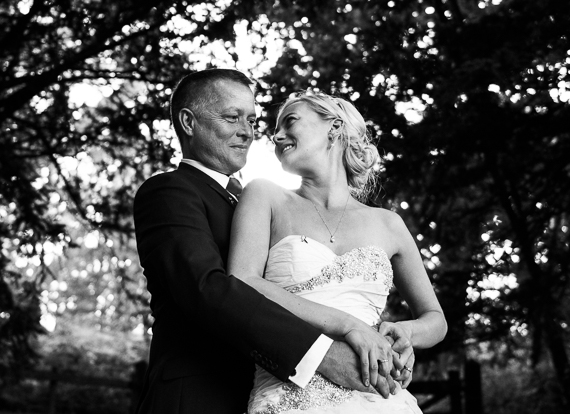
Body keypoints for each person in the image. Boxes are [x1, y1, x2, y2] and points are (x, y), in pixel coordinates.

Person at [132, 70, 409, 414]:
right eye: (232, 117)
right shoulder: (169, 192)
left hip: (274, 394)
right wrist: (322, 353)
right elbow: (207, 290)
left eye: (251, 119)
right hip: (200, 397)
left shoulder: (256, 204)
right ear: (188, 122)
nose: (247, 131)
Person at [229, 90, 447, 413]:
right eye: (276, 129)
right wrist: (349, 325)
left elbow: (436, 320)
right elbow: (241, 281)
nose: (276, 136)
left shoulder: (389, 225)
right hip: (289, 397)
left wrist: (405, 332)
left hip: (379, 397)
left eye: (290, 121)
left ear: (333, 128)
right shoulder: (265, 196)